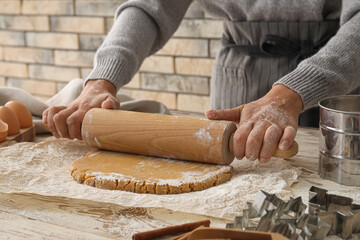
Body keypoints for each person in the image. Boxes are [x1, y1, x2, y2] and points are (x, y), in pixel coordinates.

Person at [42, 1, 360, 163]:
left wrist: (295, 90)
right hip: (240, 76)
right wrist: (102, 78)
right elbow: (151, 7)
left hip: (341, 72)